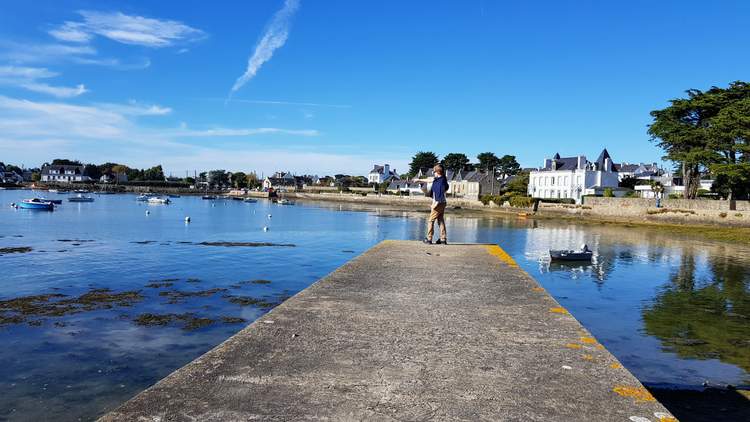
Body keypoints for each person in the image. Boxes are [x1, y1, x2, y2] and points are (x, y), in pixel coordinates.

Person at [423, 164, 449, 245]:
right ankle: (442, 239)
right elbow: (430, 180)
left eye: (433, 171)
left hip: (438, 202)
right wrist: (418, 180)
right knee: (440, 220)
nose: (433, 173)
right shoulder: (442, 178)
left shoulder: (439, 182)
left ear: (437, 172)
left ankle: (429, 239)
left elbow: (440, 193)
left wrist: (435, 204)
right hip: (443, 202)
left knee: (431, 220)